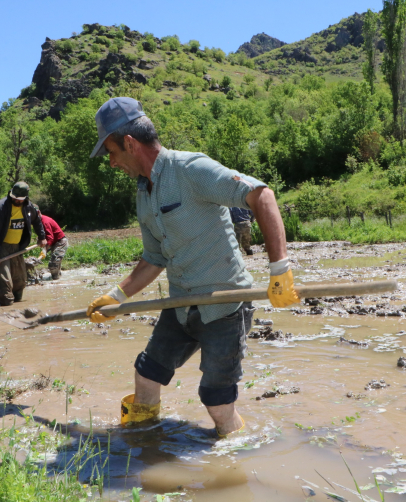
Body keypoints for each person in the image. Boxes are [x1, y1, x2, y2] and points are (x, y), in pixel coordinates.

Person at [85, 97, 300, 436]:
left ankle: (235, 453)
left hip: (224, 305)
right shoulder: (144, 194)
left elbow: (262, 196)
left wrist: (280, 270)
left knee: (216, 401)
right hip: (181, 305)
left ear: (129, 143)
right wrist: (116, 295)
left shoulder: (190, 170)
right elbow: (154, 257)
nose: (111, 163)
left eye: (111, 152)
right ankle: (143, 440)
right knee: (146, 374)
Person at [0, 182, 46, 306]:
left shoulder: (29, 207)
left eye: (19, 199)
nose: (16, 200)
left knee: (20, 282)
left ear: (25, 198)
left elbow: (37, 221)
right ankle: (6, 308)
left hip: (17, 247)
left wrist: (42, 237)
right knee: (5, 284)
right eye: (14, 198)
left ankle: (18, 310)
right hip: (0, 248)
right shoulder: (1, 207)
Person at [36, 208, 69, 280]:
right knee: (56, 264)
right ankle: (57, 278)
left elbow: (50, 238)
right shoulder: (38, 223)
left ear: (38, 212)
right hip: (54, 243)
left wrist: (45, 249)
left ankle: (55, 281)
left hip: (60, 242)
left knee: (53, 264)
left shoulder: (45, 222)